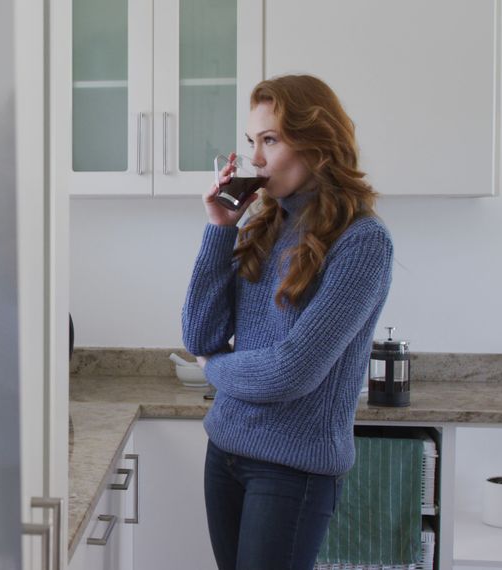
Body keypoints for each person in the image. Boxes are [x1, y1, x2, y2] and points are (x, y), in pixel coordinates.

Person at [181, 74, 394, 570]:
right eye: (252, 141)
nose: (254, 158)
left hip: (292, 471)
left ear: (317, 143)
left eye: (270, 140)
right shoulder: (265, 224)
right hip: (225, 450)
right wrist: (219, 230)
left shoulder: (363, 242)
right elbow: (199, 335)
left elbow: (291, 370)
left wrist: (212, 370)